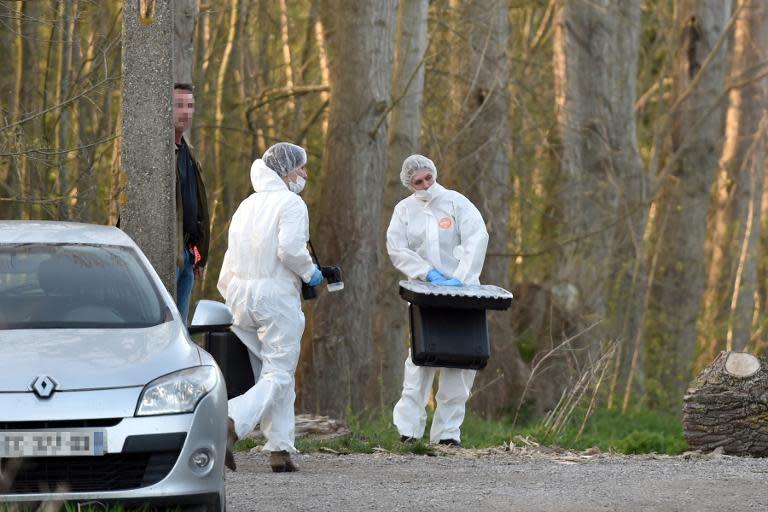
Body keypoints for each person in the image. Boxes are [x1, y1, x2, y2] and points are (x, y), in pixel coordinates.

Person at [217, 142, 322, 472]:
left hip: (239, 296)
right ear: (287, 171)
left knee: (273, 373)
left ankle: (280, 449)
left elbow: (229, 259)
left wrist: (229, 296)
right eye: (301, 168)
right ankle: (230, 421)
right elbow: (290, 249)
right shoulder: (290, 203)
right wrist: (312, 273)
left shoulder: (247, 205)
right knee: (279, 371)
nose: (304, 174)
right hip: (275, 297)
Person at [386, 154, 489, 447]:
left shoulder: (457, 203)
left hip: (464, 294)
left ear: (434, 173)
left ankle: (447, 434)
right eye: (418, 182)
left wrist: (462, 277)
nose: (425, 185)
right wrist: (426, 272)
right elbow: (397, 248)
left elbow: (477, 237)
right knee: (421, 361)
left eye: (428, 178)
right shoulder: (404, 211)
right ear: (410, 184)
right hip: (426, 296)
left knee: (461, 364)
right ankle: (408, 431)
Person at [173, 83, 210, 325]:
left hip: (187, 256)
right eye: (178, 105)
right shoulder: (159, 152)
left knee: (181, 329)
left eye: (190, 106)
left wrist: (197, 256)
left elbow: (196, 213)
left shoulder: (189, 153)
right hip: (168, 255)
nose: (185, 112)